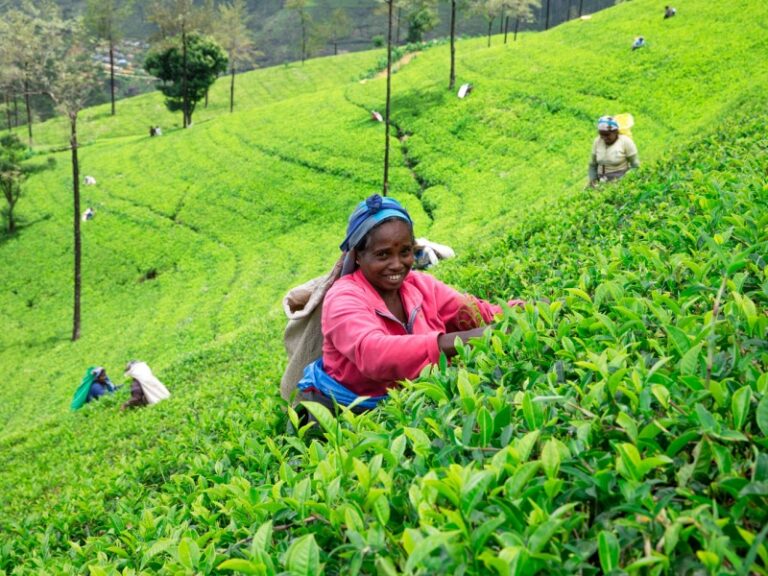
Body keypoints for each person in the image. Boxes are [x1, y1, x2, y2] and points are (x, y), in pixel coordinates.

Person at [296, 194, 524, 411]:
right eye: (383, 255)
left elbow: (474, 313)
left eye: (405, 252)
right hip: (349, 413)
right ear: (357, 255)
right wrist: (462, 341)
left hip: (409, 401)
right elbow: (373, 353)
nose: (397, 264)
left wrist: (525, 311)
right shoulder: (343, 298)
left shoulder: (420, 285)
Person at [588, 116, 639, 186]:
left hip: (620, 179)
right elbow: (593, 164)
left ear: (615, 132)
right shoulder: (597, 141)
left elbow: (635, 166)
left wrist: (624, 179)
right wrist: (593, 179)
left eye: (607, 135)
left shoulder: (625, 142)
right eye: (601, 134)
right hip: (601, 180)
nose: (604, 138)